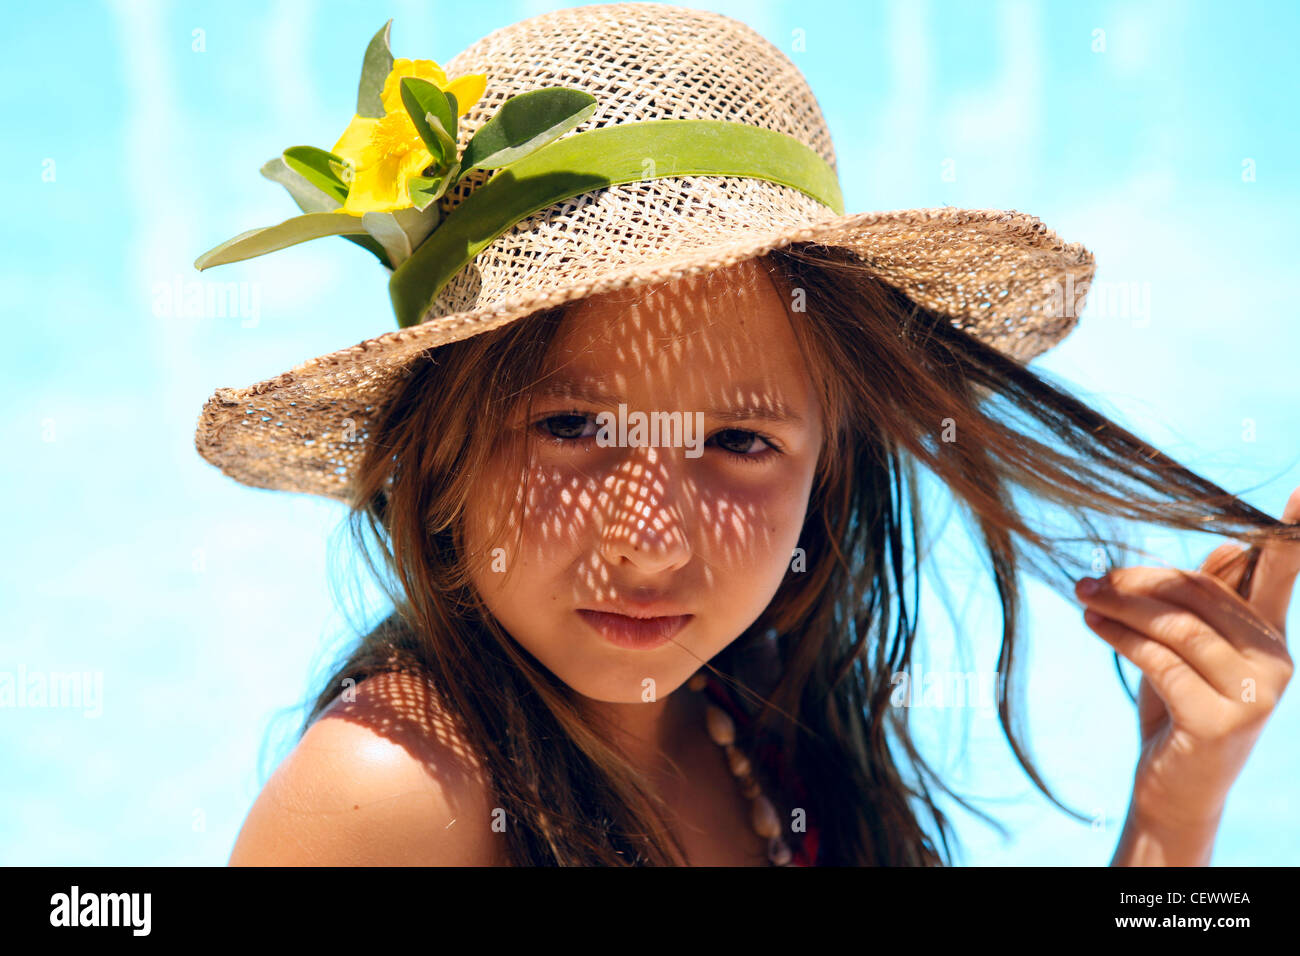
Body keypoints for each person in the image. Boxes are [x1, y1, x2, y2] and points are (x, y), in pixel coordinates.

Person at [196, 5, 1300, 866]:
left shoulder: (752, 715)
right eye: (573, 425)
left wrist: (1179, 794)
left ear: (830, 467)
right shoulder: (397, 793)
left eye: (737, 441)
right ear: (440, 449)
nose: (652, 541)